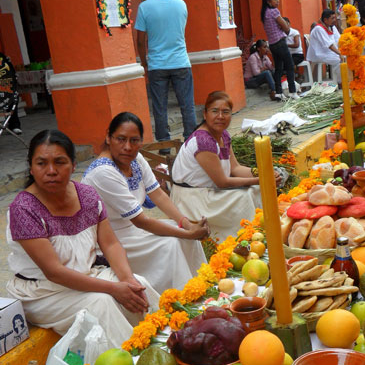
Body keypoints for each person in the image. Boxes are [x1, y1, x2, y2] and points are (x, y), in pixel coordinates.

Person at [6, 130, 159, 342]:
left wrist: (127, 280)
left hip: (87, 276)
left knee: (139, 286)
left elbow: (111, 244)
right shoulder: (23, 209)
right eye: (41, 163)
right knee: (101, 304)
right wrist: (115, 288)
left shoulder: (87, 195)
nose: (51, 171)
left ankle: (170, 347)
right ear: (31, 168)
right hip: (43, 292)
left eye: (60, 162)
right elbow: (55, 272)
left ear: (74, 165)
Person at [82, 112, 209, 293]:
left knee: (184, 235)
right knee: (172, 244)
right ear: (108, 137)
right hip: (111, 240)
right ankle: (178, 298)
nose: (127, 147)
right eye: (120, 139)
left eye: (134, 141)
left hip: (134, 231)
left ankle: (202, 287)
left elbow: (158, 194)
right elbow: (141, 221)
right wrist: (189, 233)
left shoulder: (135, 158)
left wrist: (187, 225)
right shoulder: (103, 172)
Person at [170, 91, 269, 241]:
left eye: (225, 112)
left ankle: (259, 235)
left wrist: (263, 173)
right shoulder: (203, 140)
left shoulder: (223, 135)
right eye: (215, 111)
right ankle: (244, 240)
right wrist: (260, 179)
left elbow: (235, 169)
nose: (220, 116)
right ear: (205, 114)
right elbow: (222, 182)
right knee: (245, 196)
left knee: (257, 189)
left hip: (208, 193)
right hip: (192, 199)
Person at [135, 0, 196, 155]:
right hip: (180, 61)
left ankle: (164, 145)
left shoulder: (144, 7)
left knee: (159, 107)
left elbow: (140, 40)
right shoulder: (181, 4)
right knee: (187, 104)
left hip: (157, 64)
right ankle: (191, 141)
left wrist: (145, 63)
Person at [260, 0, 299, 101]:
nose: (278, 1)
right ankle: (292, 92)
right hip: (280, 42)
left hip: (272, 44)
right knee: (290, 66)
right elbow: (286, 27)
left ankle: (278, 93)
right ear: (268, 1)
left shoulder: (265, 13)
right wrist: (284, 27)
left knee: (278, 68)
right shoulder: (274, 12)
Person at [306, 9, 342, 83]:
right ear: (325, 20)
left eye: (334, 18)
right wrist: (339, 53)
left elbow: (339, 40)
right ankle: (341, 81)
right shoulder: (318, 29)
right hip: (319, 54)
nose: (334, 20)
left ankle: (343, 80)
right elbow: (329, 45)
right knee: (339, 60)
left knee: (346, 57)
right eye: (332, 18)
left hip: (328, 53)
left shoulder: (331, 27)